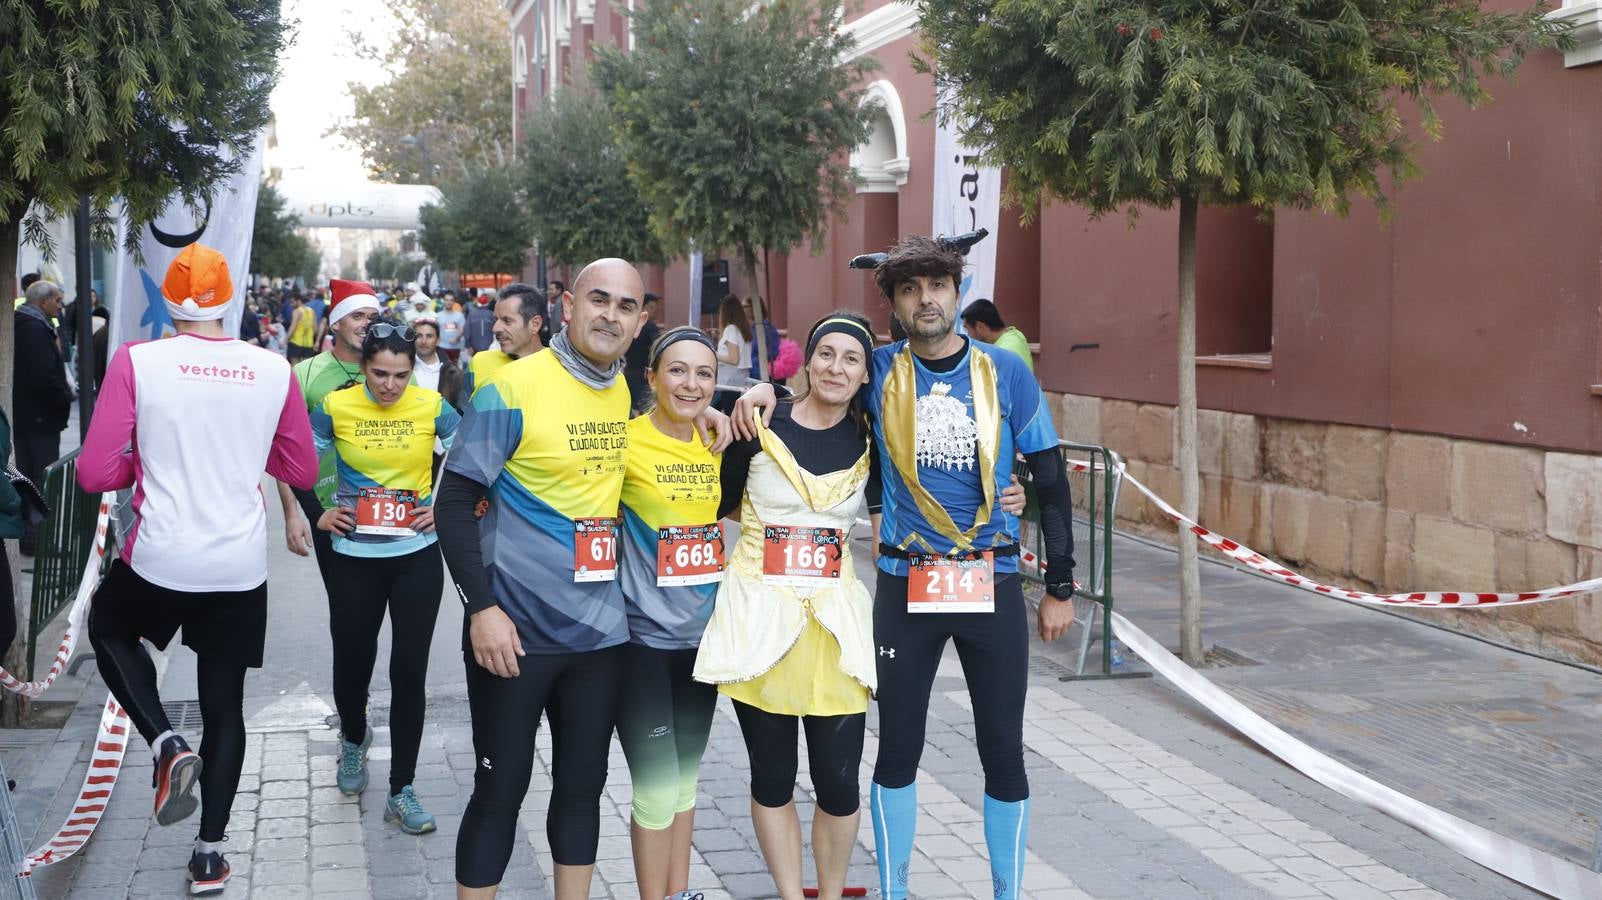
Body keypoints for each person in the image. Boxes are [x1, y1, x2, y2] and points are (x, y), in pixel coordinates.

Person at [733, 234, 1077, 900]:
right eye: (911, 289)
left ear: (956, 292)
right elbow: (818, 387)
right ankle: (893, 891)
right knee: (896, 750)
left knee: (1003, 749)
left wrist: (1060, 584)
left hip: (993, 578)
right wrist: (762, 390)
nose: (928, 300)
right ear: (894, 302)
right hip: (905, 583)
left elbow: (1054, 478)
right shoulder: (879, 369)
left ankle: (1008, 891)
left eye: (939, 286)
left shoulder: (1006, 372)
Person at [437, 259, 709, 899]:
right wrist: (482, 609)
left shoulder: (623, 393)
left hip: (601, 637)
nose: (610, 315)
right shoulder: (513, 387)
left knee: (582, 793)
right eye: (599, 300)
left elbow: (684, 410)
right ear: (567, 305)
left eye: (625, 306)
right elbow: (453, 502)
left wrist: (728, 410)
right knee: (499, 793)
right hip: (514, 637)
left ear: (641, 321)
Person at [79, 244, 318, 894]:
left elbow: (95, 472)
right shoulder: (272, 370)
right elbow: (302, 471)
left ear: (171, 297)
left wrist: (148, 464)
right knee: (225, 708)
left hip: (159, 553)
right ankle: (210, 855)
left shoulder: (139, 360)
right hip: (237, 565)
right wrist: (245, 449)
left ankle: (162, 741)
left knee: (107, 628)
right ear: (229, 294)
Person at [309, 322, 460, 835]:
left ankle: (402, 788)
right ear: (363, 367)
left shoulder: (430, 406)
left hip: (415, 555)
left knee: (409, 671)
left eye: (400, 374)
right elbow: (295, 457)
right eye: (379, 374)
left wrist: (442, 509)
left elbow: (472, 459)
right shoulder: (337, 405)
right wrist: (320, 511)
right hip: (353, 555)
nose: (390, 385)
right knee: (353, 661)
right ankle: (353, 738)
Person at [616, 326, 723, 900]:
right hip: (640, 644)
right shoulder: (624, 441)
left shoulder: (718, 441)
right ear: (651, 377)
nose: (691, 383)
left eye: (704, 373)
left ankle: (679, 894)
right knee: (655, 791)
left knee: (684, 787)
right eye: (677, 371)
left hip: (700, 645)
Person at [275, 279, 383, 586]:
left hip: (386, 509)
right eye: (358, 316)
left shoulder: (393, 370)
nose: (366, 325)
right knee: (347, 613)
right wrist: (292, 514)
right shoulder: (304, 374)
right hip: (330, 510)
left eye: (372, 317)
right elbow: (286, 451)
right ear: (336, 323)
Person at [13, 279, 73, 556]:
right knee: (41, 479)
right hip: (39, 418)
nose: (61, 306)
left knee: (30, 476)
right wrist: (64, 395)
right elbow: (42, 375)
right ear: (43, 302)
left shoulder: (26, 323)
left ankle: (31, 536)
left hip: (28, 417)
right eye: (57, 301)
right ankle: (37, 539)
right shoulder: (34, 329)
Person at [462, 283, 546, 400]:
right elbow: (464, 414)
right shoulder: (479, 363)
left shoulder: (562, 368)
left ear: (535, 324)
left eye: (507, 321)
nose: (495, 329)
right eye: (496, 319)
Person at [960, 298, 1034, 372]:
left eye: (967, 329)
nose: (968, 336)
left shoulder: (1000, 354)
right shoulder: (1015, 335)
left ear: (980, 327)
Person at [410, 318, 465, 411]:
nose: (424, 341)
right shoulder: (402, 368)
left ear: (438, 340)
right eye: (419, 336)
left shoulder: (453, 372)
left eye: (429, 336)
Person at [622, 292, 662, 414]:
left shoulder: (629, 324)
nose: (656, 310)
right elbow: (660, 346)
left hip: (628, 374)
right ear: (642, 308)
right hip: (643, 377)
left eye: (656, 307)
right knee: (649, 411)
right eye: (651, 307)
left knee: (630, 410)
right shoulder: (650, 326)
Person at [714, 295, 751, 412]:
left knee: (728, 414)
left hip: (729, 381)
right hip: (738, 378)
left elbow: (734, 359)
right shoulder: (742, 329)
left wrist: (713, 354)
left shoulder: (731, 329)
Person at [743, 295, 780, 382]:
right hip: (750, 375)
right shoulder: (748, 328)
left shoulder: (766, 328)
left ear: (754, 307)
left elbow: (774, 351)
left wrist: (753, 361)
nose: (742, 309)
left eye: (745, 306)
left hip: (763, 376)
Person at [463, 291, 497, 359]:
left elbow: (466, 330)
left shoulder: (472, 314)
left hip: (475, 348)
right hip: (490, 347)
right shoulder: (492, 314)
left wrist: (468, 346)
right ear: (488, 303)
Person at [287, 294, 317, 362]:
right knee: (305, 366)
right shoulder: (312, 311)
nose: (291, 304)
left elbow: (293, 326)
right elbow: (315, 328)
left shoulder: (296, 311)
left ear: (298, 301)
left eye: (293, 302)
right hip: (309, 343)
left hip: (296, 342)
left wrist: (286, 339)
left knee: (294, 365)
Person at [437, 298, 467, 363]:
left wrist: (456, 338)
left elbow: (463, 329)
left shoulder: (459, 315)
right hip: (442, 346)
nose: (449, 302)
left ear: (454, 302)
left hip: (456, 347)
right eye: (447, 300)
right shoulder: (438, 316)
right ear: (444, 301)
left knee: (455, 368)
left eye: (451, 300)